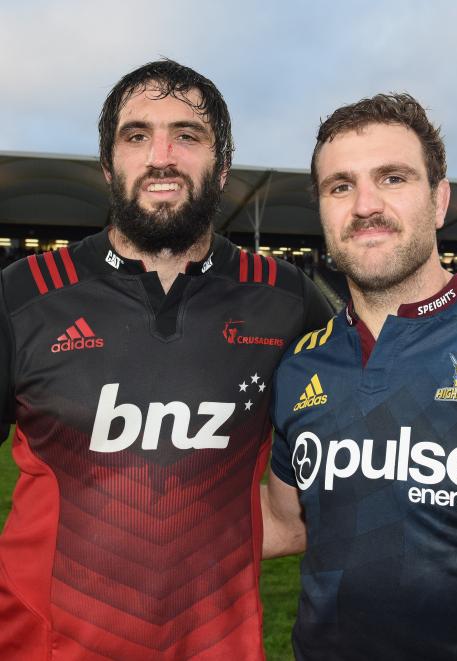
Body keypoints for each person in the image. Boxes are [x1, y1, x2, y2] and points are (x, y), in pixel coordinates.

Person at [0, 59, 331, 660]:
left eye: (188, 135)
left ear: (221, 166)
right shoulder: (24, 295)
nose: (161, 156)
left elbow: (359, 450)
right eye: (136, 136)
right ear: (108, 166)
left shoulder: (285, 299)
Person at [262, 93, 457, 660]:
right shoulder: (301, 365)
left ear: (439, 201)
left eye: (393, 178)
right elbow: (285, 523)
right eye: (340, 186)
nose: (365, 204)